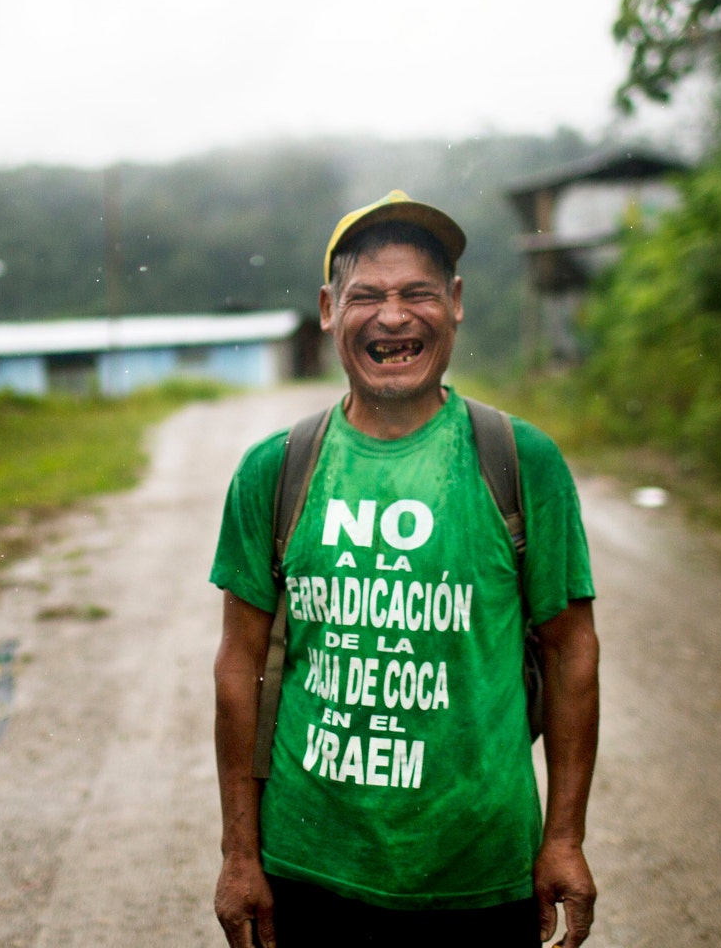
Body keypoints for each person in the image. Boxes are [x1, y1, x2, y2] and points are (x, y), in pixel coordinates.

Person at [210, 190, 601, 947]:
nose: (394, 317)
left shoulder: (521, 462)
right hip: (310, 867)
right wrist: (238, 855)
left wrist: (563, 839)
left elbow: (570, 650)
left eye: (418, 293)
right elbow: (238, 667)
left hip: (481, 875)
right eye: (368, 296)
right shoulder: (275, 470)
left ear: (455, 304)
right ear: (328, 310)